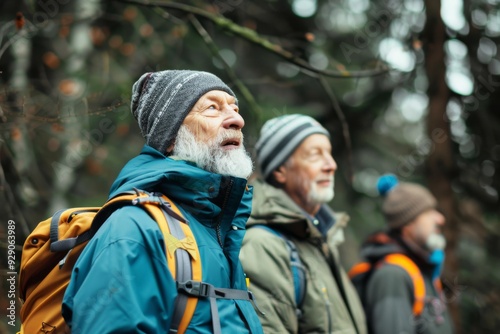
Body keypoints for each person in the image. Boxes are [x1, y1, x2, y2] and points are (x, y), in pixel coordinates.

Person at [61, 70, 263, 333]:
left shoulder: (219, 231)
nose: (237, 119)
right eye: (212, 107)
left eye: (235, 108)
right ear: (170, 138)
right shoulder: (134, 228)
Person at [239, 114, 367, 334]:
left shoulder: (320, 237)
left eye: (329, 153)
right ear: (280, 171)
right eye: (315, 155)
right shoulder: (263, 245)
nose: (331, 165)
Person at [352, 174, 454, 334]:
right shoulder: (392, 275)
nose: (440, 219)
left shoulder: (423, 269)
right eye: (428, 212)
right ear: (408, 223)